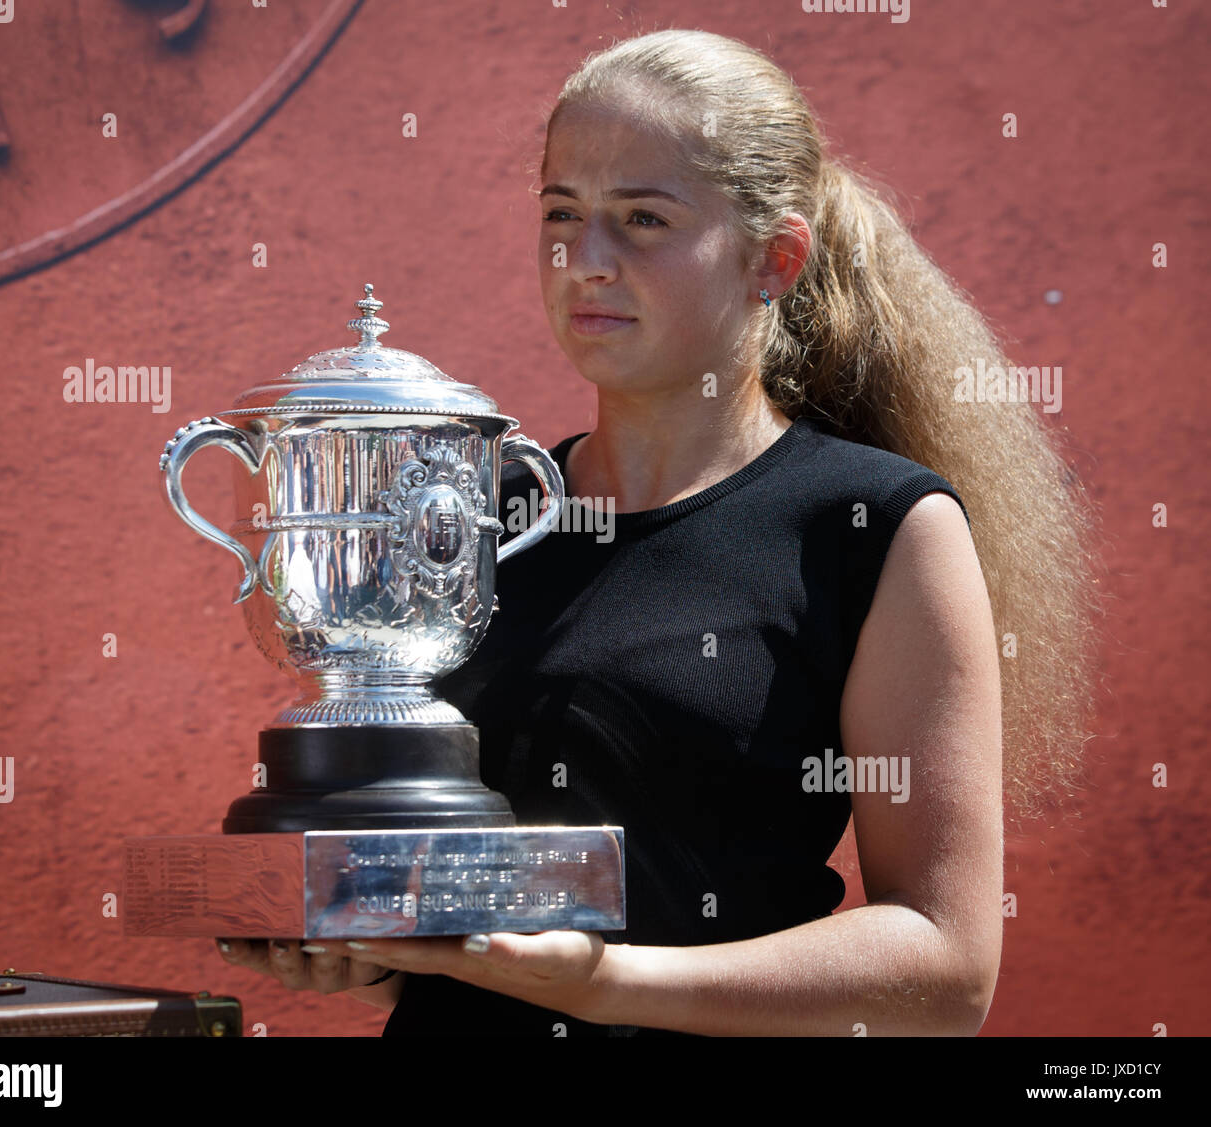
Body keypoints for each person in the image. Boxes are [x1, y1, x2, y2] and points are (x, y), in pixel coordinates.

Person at [217, 29, 1104, 1037]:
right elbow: (481, 918)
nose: (586, 262)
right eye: (562, 214)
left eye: (642, 218)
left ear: (775, 258)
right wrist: (370, 953)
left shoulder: (871, 524)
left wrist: (599, 982)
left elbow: (945, 969)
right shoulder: (473, 516)